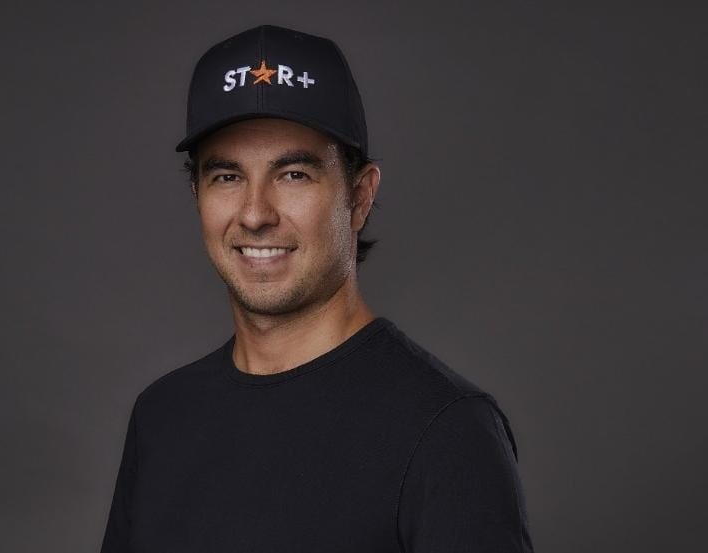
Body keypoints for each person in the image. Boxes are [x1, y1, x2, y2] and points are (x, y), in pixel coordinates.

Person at [100, 24, 535, 553]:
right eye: (227, 177)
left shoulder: (447, 430)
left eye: (294, 175)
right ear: (197, 194)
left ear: (359, 196)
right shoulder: (162, 417)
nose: (255, 214)